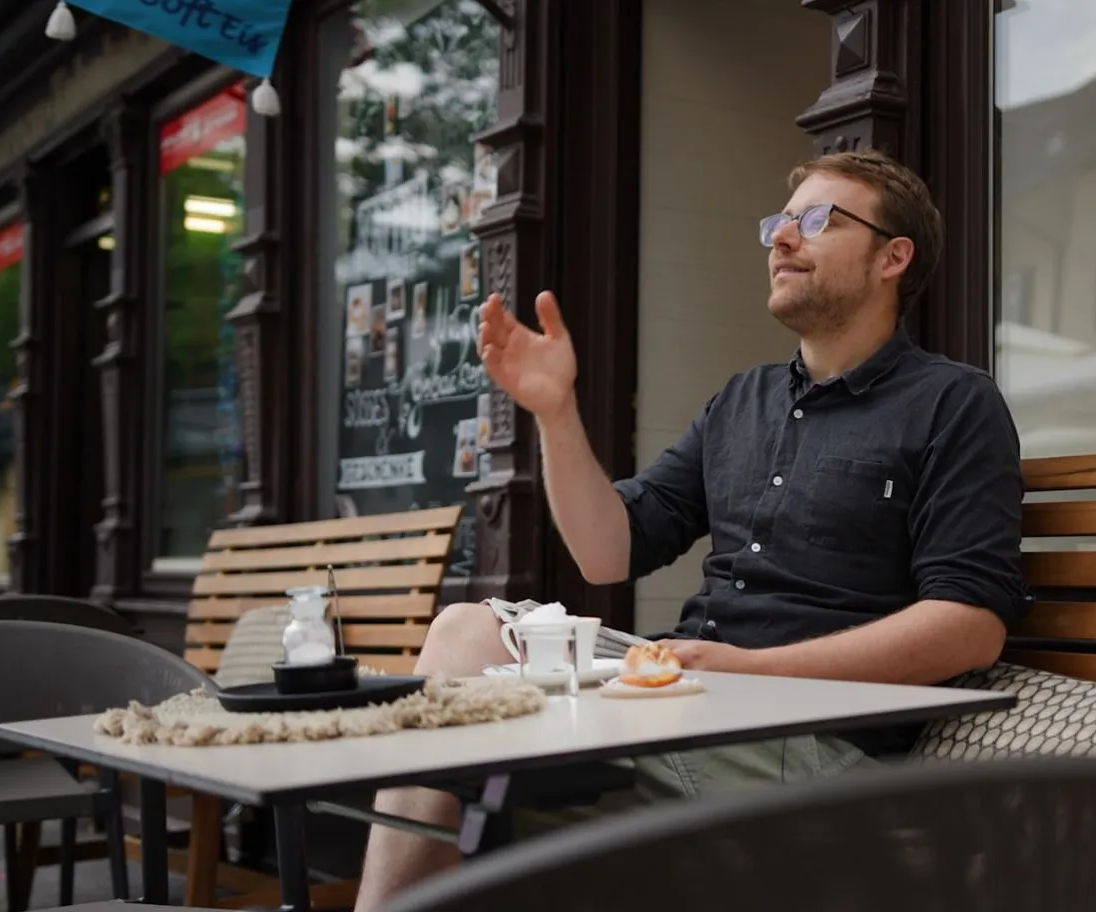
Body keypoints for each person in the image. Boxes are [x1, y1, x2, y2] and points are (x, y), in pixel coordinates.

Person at [352, 148, 1031, 909]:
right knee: (463, 635)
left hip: (815, 732)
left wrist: (746, 670)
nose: (781, 239)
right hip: (693, 694)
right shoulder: (741, 401)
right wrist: (554, 412)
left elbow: (971, 627)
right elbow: (609, 552)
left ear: (892, 257)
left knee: (476, 763)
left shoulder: (953, 404)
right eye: (779, 222)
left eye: (816, 221)